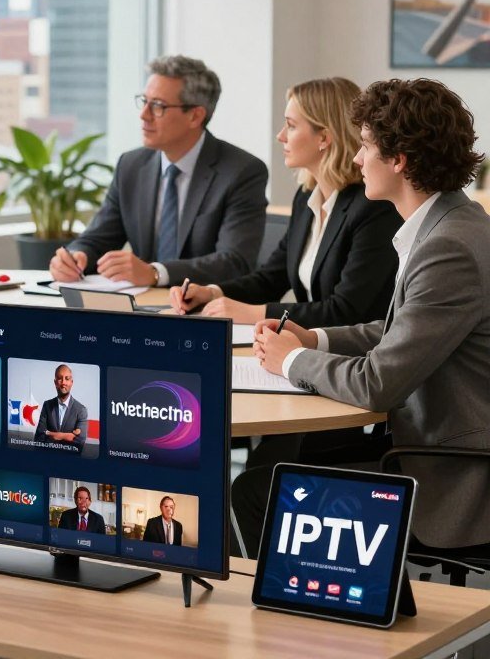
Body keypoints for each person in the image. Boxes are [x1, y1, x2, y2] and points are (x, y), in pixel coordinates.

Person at [239, 78, 490, 557]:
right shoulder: (452, 223)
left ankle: (306, 620)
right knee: (273, 470)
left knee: (255, 494)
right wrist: (313, 339)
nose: (356, 159)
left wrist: (291, 362)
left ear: (400, 160)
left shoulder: (448, 246)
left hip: (452, 475)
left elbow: (378, 384)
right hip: (422, 443)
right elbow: (400, 330)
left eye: (367, 146)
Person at [169, 78, 402, 328]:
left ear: (323, 137)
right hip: (307, 347)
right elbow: (271, 278)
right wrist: (212, 293)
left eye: (290, 126)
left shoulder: (373, 208)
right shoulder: (306, 198)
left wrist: (254, 314)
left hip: (353, 357)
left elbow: (344, 311)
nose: (280, 136)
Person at [49, 55, 268, 287]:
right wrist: (76, 257)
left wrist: (156, 273)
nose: (143, 115)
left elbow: (234, 261)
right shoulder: (131, 166)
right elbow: (97, 238)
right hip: (142, 309)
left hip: (207, 311)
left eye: (157, 106)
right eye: (144, 101)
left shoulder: (242, 172)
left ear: (195, 116)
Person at [34, 365, 87, 453]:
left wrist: (49, 433)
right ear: (55, 382)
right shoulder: (47, 405)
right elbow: (38, 438)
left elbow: (79, 443)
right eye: (59, 378)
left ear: (71, 382)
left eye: (67, 378)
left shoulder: (81, 410)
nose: (63, 382)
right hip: (47, 459)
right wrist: (67, 436)